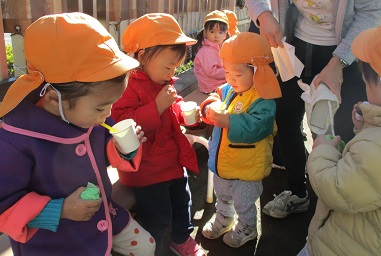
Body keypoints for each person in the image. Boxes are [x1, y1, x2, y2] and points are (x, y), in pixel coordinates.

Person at [0, 13, 155, 256]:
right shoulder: (16, 140)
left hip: (104, 216)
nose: (108, 114)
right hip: (56, 244)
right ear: (54, 98)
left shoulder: (86, 112)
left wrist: (123, 147)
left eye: (111, 105)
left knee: (147, 247)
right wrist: (60, 209)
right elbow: (4, 206)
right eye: (101, 107)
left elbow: (105, 150)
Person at [245, 0, 381, 219]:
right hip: (293, 47)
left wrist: (338, 63)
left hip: (345, 52)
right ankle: (297, 192)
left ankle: (335, 200)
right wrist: (264, 15)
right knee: (286, 122)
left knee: (341, 130)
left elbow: (371, 12)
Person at [298, 14, 381, 255]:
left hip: (346, 246)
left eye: (366, 83)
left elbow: (337, 189)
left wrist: (322, 152)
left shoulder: (379, 150)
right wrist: (365, 129)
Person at [111, 13, 205, 256]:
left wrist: (186, 115)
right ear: (142, 55)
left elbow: (174, 106)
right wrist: (158, 107)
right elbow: (123, 124)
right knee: (157, 216)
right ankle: (157, 248)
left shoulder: (163, 82)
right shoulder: (127, 85)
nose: (171, 72)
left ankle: (181, 239)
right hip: (148, 171)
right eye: (168, 66)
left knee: (182, 204)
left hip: (173, 163)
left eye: (175, 67)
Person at [199, 32, 281, 248]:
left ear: (258, 73)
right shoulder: (230, 88)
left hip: (247, 168)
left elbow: (258, 127)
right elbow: (217, 93)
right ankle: (224, 219)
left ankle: (247, 227)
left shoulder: (263, 98)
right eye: (226, 72)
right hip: (223, 161)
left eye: (237, 74)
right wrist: (210, 104)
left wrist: (228, 121)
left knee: (244, 202)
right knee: (223, 194)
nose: (230, 79)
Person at [193, 10, 238, 94]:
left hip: (221, 82)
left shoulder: (222, 46)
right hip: (211, 86)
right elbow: (212, 72)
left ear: (225, 35)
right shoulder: (205, 51)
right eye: (212, 31)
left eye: (220, 32)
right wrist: (229, 72)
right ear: (205, 33)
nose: (216, 35)